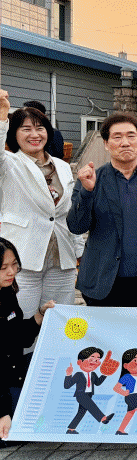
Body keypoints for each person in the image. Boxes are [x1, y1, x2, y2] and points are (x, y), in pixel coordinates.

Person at [69, 113, 137, 307]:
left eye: (131, 136)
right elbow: (76, 226)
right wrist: (87, 192)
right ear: (106, 144)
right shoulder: (91, 179)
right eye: (117, 137)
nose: (125, 143)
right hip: (103, 282)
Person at [0, 91, 81, 317]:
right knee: (21, 318)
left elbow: (66, 212)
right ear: (13, 134)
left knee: (59, 318)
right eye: (26, 129)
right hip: (23, 258)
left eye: (40, 128)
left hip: (61, 257)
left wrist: (78, 250)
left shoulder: (62, 166)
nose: (34, 134)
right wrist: (2, 115)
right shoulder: (8, 163)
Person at [1, 239, 54, 442]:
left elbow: (18, 337)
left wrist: (40, 316)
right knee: (17, 431)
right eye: (3, 268)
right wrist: (2, 412)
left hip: (11, 372)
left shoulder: (7, 291)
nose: (11, 272)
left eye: (14, 264)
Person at [64, 346, 115, 433]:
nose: (94, 362)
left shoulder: (93, 374)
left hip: (89, 394)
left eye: (97, 360)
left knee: (81, 412)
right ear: (80, 362)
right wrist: (68, 375)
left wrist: (105, 374)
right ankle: (103, 418)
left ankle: (71, 429)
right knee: (91, 405)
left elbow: (98, 383)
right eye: (91, 359)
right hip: (81, 395)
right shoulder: (78, 374)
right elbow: (67, 386)